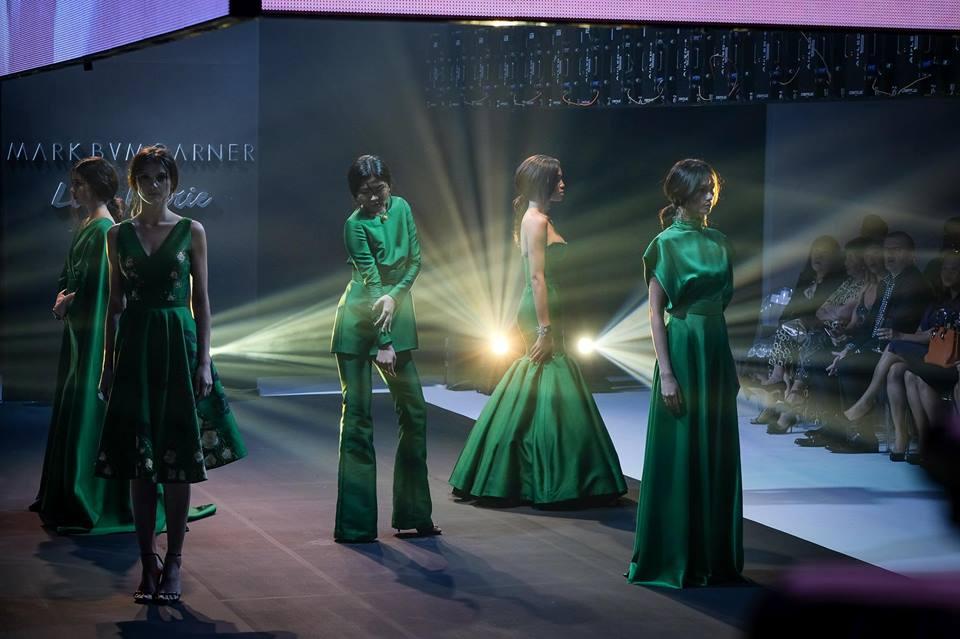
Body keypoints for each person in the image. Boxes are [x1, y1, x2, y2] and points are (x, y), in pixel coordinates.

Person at [95, 145, 246, 603]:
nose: (153, 185)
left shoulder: (191, 230)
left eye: (160, 177)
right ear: (133, 182)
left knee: (178, 462)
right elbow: (114, 305)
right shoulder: (116, 235)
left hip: (179, 347)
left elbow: (202, 301)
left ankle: (175, 560)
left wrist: (204, 361)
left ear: (172, 182)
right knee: (140, 464)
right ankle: (148, 561)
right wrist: (106, 365)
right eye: (144, 177)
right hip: (135, 349)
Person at [448, 155, 627, 506]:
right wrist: (545, 329)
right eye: (557, 178)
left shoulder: (535, 218)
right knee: (545, 372)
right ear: (541, 183)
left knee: (539, 377)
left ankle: (527, 467)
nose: (563, 184)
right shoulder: (536, 221)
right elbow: (536, 277)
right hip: (540, 307)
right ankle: (549, 473)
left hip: (545, 303)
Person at [627, 159, 742, 588]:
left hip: (714, 348)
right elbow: (655, 314)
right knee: (680, 451)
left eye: (711, 189)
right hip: (683, 347)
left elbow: (721, 303)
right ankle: (674, 555)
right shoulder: (665, 244)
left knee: (716, 451)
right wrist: (668, 373)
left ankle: (713, 557)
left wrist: (727, 362)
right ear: (681, 195)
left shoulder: (720, 241)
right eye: (700, 191)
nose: (709, 197)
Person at [330, 154, 439, 543]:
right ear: (354, 195)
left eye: (379, 189)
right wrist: (385, 342)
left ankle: (413, 513)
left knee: (415, 412)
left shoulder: (403, 208)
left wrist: (396, 297)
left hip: (394, 312)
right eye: (365, 193)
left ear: (389, 185)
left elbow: (415, 262)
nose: (374, 198)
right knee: (358, 418)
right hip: (360, 324)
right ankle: (356, 525)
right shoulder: (354, 226)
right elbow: (372, 282)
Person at [29, 157, 133, 533]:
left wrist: (68, 302)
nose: (73, 190)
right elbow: (72, 276)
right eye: (74, 183)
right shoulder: (89, 225)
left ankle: (85, 493)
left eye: (79, 184)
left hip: (92, 335)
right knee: (76, 400)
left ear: (96, 187)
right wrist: (64, 298)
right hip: (78, 331)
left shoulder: (104, 228)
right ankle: (66, 490)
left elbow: (102, 290)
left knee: (88, 402)